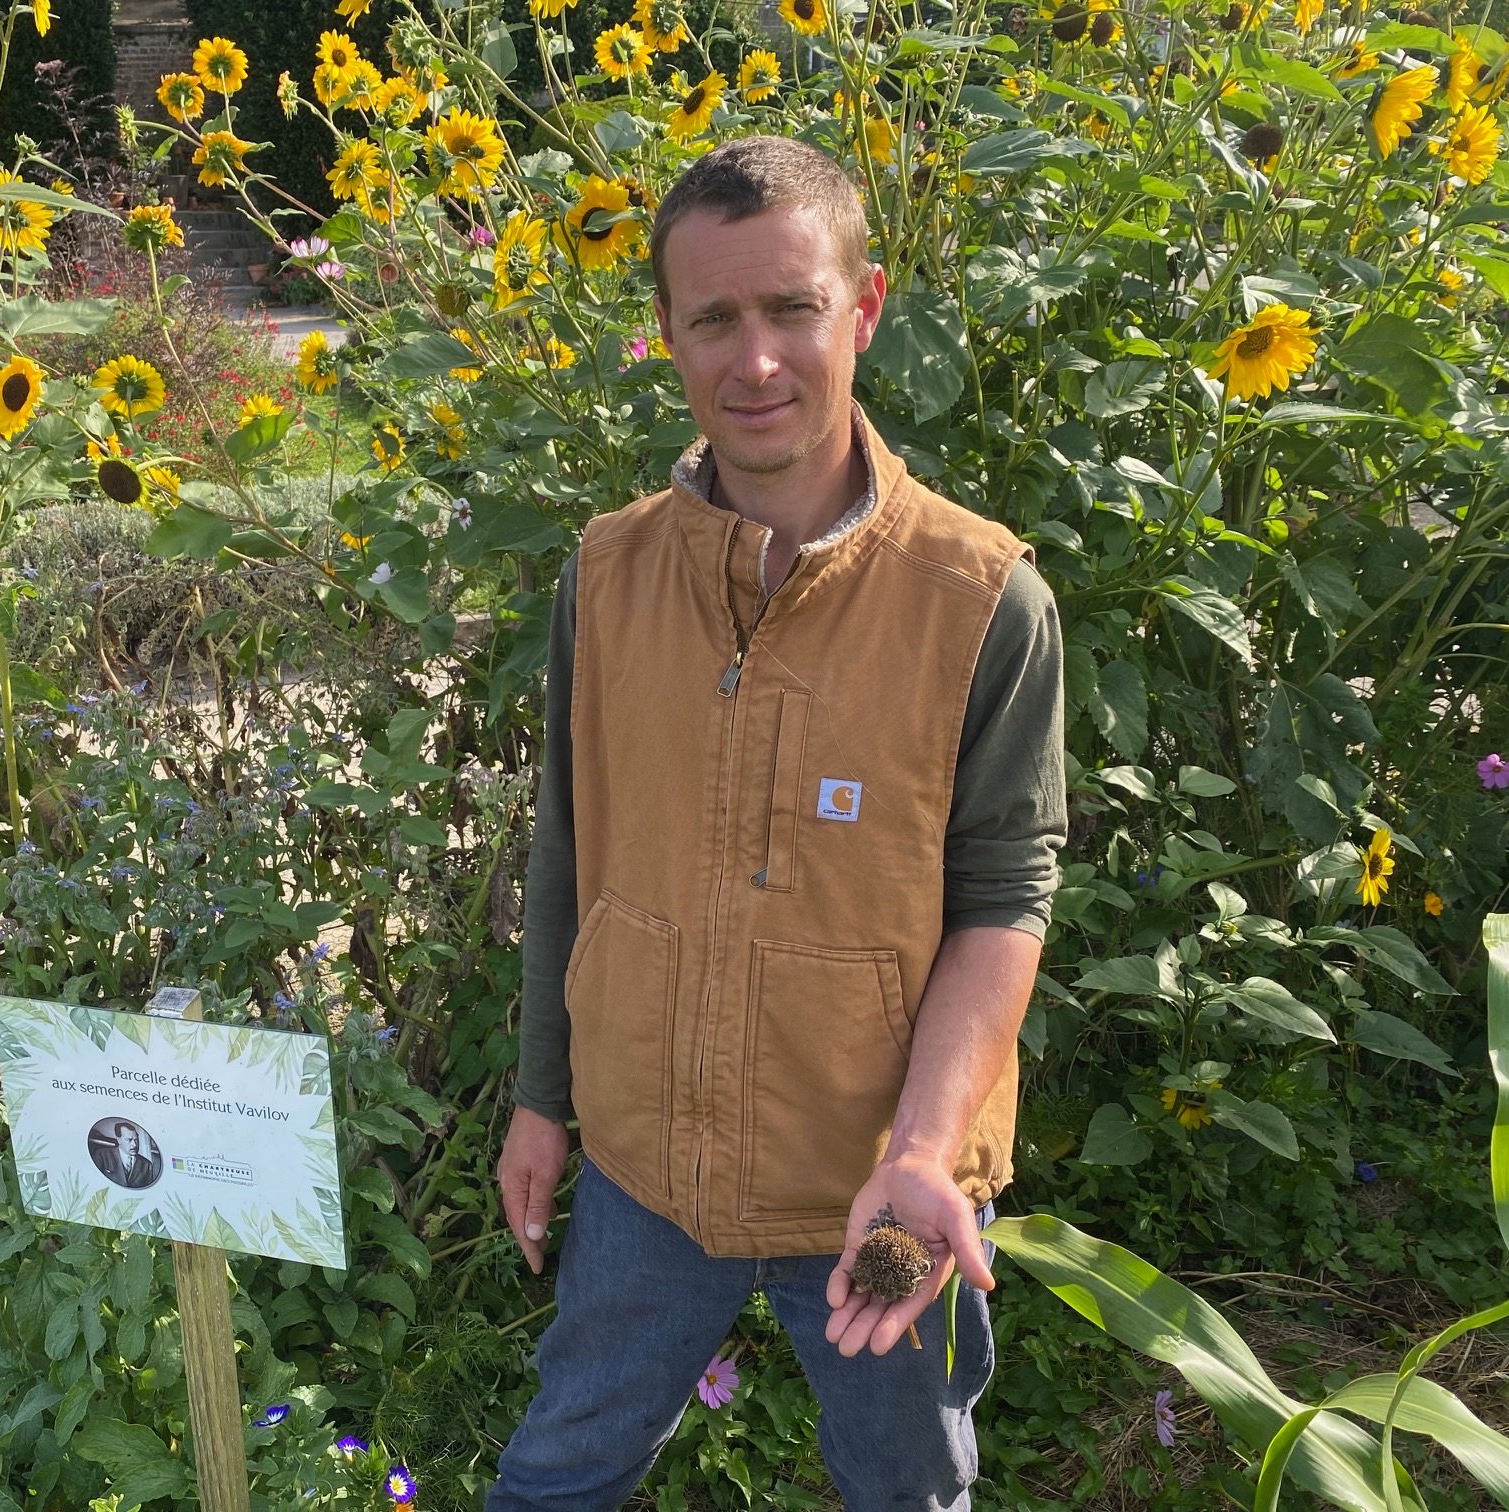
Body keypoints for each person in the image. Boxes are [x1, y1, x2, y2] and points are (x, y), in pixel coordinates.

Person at [489, 135, 1066, 1510]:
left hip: (883, 1196)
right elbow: (571, 845)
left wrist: (923, 1154)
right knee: (554, 1476)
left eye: (792, 309)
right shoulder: (608, 570)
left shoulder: (984, 598)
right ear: (669, 338)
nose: (755, 362)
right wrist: (542, 1096)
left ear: (861, 309)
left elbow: (1004, 896)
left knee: (906, 1491)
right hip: (648, 1169)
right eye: (715, 320)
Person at [90, 1118, 163, 1189]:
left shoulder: (147, 1165)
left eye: (136, 1140)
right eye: (129, 1140)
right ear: (119, 1140)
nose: (134, 1144)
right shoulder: (101, 1155)